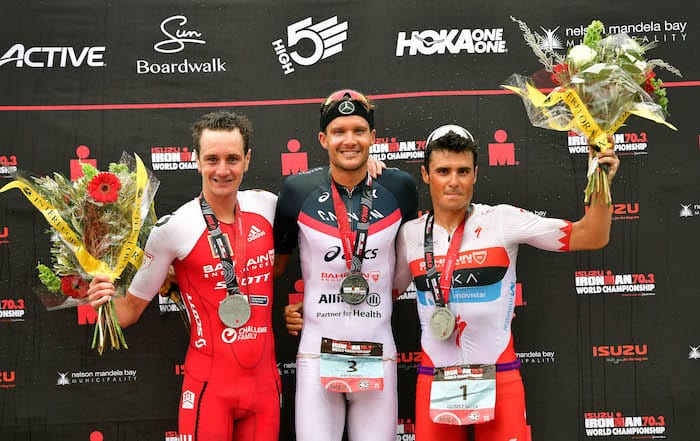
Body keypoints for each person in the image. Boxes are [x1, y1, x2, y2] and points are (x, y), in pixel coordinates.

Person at [393, 124, 619, 441]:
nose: (454, 182)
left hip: (499, 379)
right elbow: (379, 295)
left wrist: (600, 182)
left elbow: (591, 236)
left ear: (475, 174)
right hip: (435, 380)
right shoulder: (410, 235)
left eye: (463, 171)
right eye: (443, 171)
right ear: (426, 174)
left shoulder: (501, 220)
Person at [87, 111, 281, 441]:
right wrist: (101, 300)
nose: (223, 170)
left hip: (265, 387)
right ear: (196, 161)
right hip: (210, 389)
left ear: (247, 160)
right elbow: (129, 312)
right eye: (212, 159)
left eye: (233, 158)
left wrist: (372, 169)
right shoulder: (173, 229)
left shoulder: (269, 206)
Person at [275, 89, 419, 441]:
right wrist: (294, 308)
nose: (349, 140)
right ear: (323, 139)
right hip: (316, 354)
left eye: (358, 130)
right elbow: (274, 269)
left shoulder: (399, 187)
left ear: (373, 137)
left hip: (377, 353)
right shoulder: (296, 190)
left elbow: (407, 264)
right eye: (339, 132)